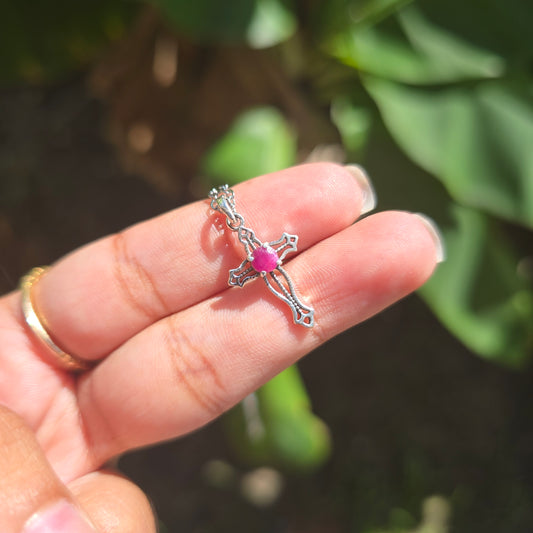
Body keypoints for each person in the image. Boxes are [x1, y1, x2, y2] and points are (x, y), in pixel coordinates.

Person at [0, 163, 444, 532]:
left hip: (264, 268)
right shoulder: (258, 261)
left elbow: (266, 264)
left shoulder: (264, 262)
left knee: (289, 290)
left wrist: (241, 227)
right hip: (256, 263)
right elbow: (254, 258)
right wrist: (230, 216)